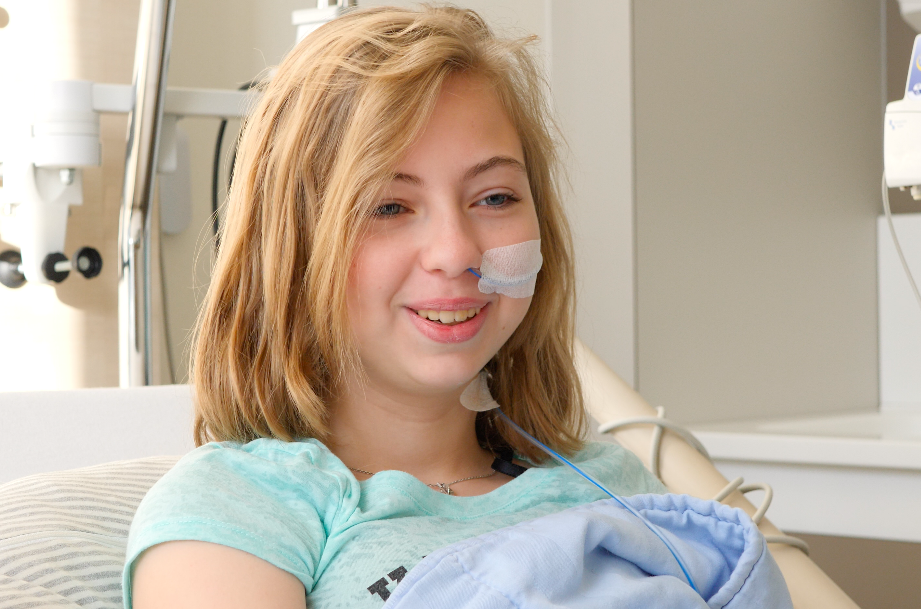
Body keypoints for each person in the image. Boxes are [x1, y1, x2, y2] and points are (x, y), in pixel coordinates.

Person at [124, 6, 666, 608]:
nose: (456, 252)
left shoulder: (617, 489)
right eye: (388, 207)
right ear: (293, 249)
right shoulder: (241, 509)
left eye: (494, 196)